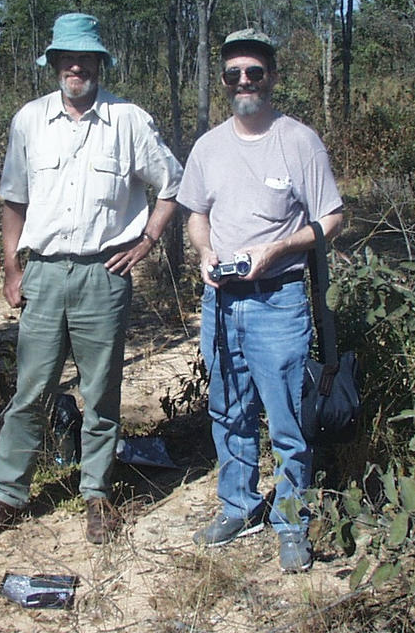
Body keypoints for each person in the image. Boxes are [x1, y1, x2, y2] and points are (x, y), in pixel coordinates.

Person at [0, 13, 182, 544]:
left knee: (102, 391)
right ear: (56, 64)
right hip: (41, 274)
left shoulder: (129, 120)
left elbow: (173, 182)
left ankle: (98, 496)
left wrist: (146, 241)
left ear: (100, 64)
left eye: (86, 58)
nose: (76, 66)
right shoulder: (29, 121)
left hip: (103, 276)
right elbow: (13, 200)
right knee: (31, 390)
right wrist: (13, 268)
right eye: (67, 58)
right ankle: (8, 496)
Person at [177, 28, 343, 572]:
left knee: (288, 418)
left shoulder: (299, 140)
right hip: (222, 302)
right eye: (233, 74)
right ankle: (238, 505)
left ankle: (292, 520)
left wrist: (278, 250)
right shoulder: (208, 146)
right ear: (223, 81)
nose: (244, 82)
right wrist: (204, 253)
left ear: (272, 76)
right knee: (227, 410)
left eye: (254, 72)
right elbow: (196, 214)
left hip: (280, 300)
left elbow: (332, 219)